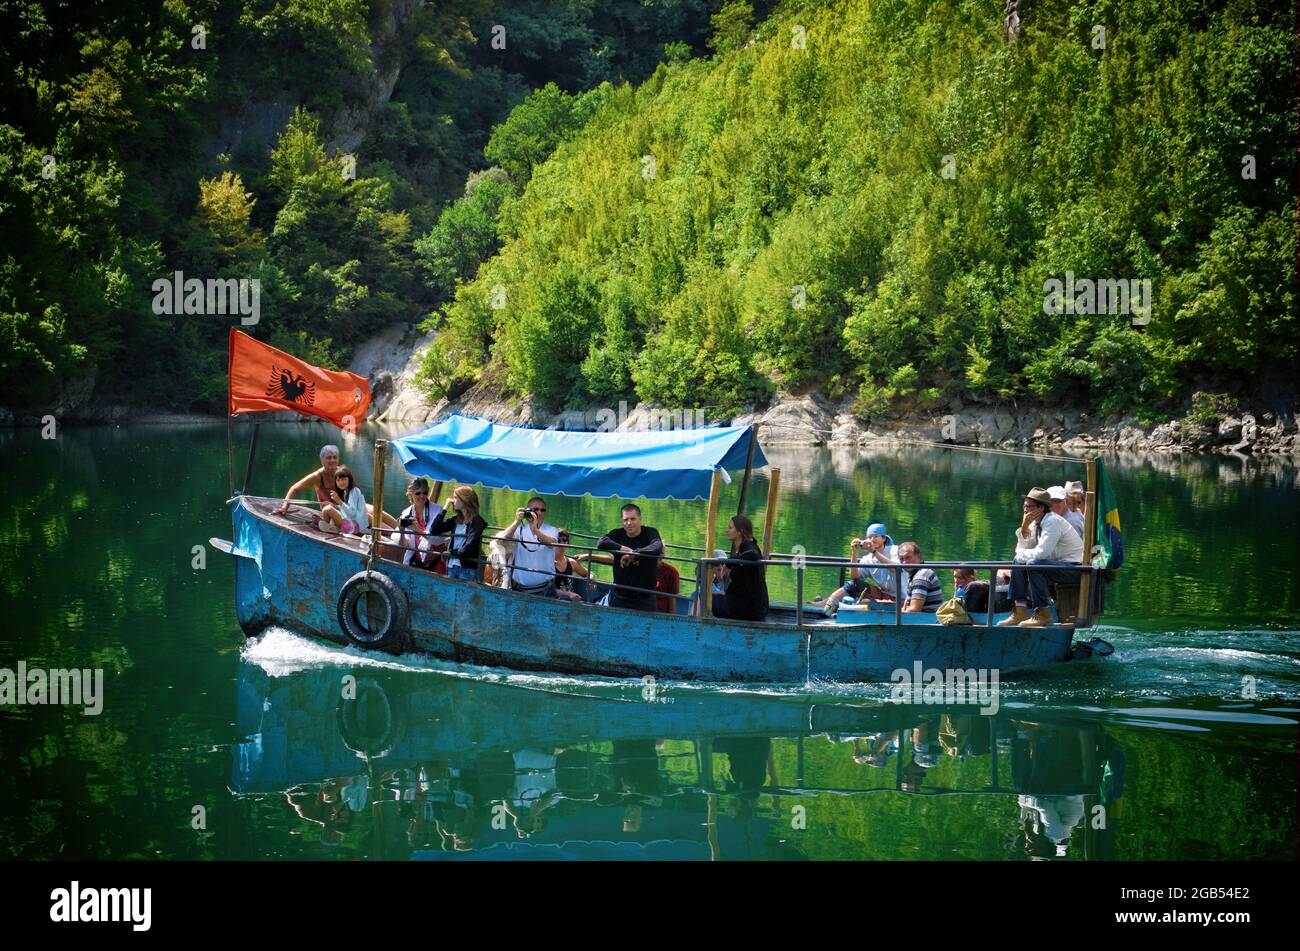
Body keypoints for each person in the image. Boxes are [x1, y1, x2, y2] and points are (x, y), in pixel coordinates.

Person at [998, 486, 1084, 627]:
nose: (1025, 510)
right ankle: (1020, 611)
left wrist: (1021, 553)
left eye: (1029, 507)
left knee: (1033, 563)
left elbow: (1041, 553)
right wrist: (1024, 527)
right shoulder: (1035, 523)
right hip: (1056, 566)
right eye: (1024, 506)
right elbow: (1022, 550)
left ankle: (1043, 614)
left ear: (1041, 508)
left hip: (1074, 568)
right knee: (1018, 561)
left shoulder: (1052, 522)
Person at [817, 522, 898, 616]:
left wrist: (874, 551)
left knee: (862, 600)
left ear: (883, 538)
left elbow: (895, 569)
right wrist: (854, 553)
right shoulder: (868, 559)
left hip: (900, 597)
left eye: (875, 536)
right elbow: (855, 577)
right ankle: (828, 605)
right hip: (883, 593)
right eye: (869, 537)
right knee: (855, 585)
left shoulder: (894, 550)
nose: (872, 540)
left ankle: (825, 605)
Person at [596, 503, 664, 611]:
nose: (629, 523)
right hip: (620, 597)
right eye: (625, 520)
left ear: (640, 519)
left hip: (645, 599)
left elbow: (657, 546)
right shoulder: (618, 534)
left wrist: (634, 555)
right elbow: (600, 543)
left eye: (633, 519)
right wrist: (622, 548)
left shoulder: (650, 532)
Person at [496, 496, 561, 597]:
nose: (539, 513)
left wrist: (535, 530)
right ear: (528, 511)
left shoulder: (552, 530)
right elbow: (501, 540)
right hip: (520, 589)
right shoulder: (519, 530)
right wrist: (516, 521)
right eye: (535, 510)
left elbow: (551, 543)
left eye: (542, 510)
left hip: (546, 589)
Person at [712, 515, 769, 621]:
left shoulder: (750, 548)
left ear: (739, 531)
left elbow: (753, 555)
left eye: (730, 528)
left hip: (750, 608)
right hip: (743, 603)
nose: (726, 530)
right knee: (704, 595)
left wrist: (730, 562)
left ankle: (695, 631)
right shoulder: (744, 549)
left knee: (703, 598)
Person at [427, 485, 487, 581]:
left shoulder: (477, 521)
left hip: (467, 569)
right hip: (452, 566)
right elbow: (434, 529)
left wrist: (450, 552)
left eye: (455, 497)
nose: (452, 500)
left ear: (465, 499)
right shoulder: (456, 520)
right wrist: (445, 508)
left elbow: (467, 549)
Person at [273, 444, 343, 519]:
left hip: (345, 512)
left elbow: (355, 492)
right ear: (322, 461)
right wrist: (284, 507)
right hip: (328, 515)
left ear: (338, 459)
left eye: (335, 457)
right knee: (329, 510)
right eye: (329, 458)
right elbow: (294, 489)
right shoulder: (317, 476)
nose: (332, 460)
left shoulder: (343, 473)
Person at [391, 477, 446, 571]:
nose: (422, 496)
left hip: (435, 562)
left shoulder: (437, 511)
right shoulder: (406, 513)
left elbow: (439, 540)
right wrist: (402, 531)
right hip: (416, 562)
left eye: (425, 493)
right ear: (411, 494)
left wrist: (419, 531)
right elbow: (402, 545)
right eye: (418, 493)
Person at [320, 465, 369, 536]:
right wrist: (335, 505)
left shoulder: (353, 491)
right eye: (338, 480)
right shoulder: (347, 491)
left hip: (355, 528)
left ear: (349, 479)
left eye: (343, 479)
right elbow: (348, 509)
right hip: (354, 524)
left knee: (327, 509)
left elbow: (353, 514)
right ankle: (330, 527)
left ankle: (328, 528)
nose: (340, 482)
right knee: (330, 507)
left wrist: (339, 501)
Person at [895, 542, 944, 612]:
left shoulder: (921, 576)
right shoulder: (916, 574)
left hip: (928, 619)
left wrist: (900, 611)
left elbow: (914, 610)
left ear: (919, 557)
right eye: (901, 559)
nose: (904, 562)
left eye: (908, 557)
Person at [552, 530, 592, 602]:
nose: (561, 543)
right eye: (558, 540)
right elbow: (548, 588)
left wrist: (592, 579)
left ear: (568, 544)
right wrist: (569, 594)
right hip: (554, 600)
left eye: (564, 540)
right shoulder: (548, 563)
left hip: (571, 600)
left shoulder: (571, 562)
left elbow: (588, 573)